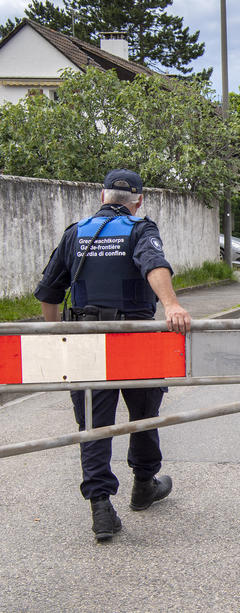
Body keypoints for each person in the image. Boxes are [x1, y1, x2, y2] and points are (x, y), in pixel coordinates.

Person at [34, 169, 191, 542]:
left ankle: (101, 509)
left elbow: (48, 293)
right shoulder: (140, 229)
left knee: (94, 423)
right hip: (133, 339)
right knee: (143, 414)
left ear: (101, 197)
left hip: (86, 339)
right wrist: (172, 305)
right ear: (138, 200)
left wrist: (58, 336)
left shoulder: (76, 233)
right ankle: (143, 484)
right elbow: (154, 265)